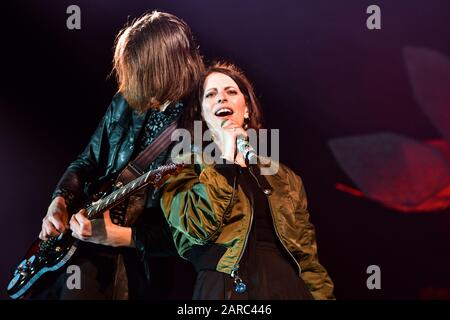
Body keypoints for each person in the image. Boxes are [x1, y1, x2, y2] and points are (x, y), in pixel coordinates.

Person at [34, 11, 204, 299]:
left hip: (138, 263)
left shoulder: (202, 123)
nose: (131, 84)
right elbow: (86, 162)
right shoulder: (126, 101)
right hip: (81, 242)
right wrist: (60, 201)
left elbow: (198, 229)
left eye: (142, 74)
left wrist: (121, 237)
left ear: (167, 69)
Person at [160, 62, 335, 299]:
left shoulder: (284, 177)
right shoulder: (182, 164)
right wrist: (225, 161)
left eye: (231, 92)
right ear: (201, 114)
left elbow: (307, 258)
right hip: (227, 287)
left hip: (290, 289)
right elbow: (196, 226)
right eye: (211, 95)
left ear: (246, 110)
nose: (221, 98)